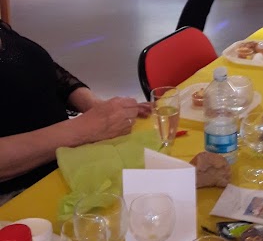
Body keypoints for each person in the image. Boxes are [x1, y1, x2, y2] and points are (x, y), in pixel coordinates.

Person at [0, 19, 152, 201]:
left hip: (67, 166)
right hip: (22, 196)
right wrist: (85, 129)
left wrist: (94, 105)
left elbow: (37, 67)